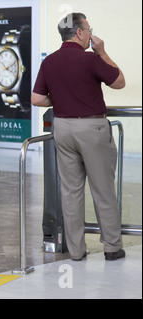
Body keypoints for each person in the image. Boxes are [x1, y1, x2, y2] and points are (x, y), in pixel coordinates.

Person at [31, 13, 126, 261]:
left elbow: (37, 99)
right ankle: (112, 247)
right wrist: (102, 51)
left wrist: (61, 99)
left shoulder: (49, 62)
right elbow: (119, 82)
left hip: (62, 129)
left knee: (71, 192)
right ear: (80, 33)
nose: (90, 34)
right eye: (88, 29)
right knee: (102, 188)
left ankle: (76, 251)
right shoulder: (90, 60)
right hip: (92, 129)